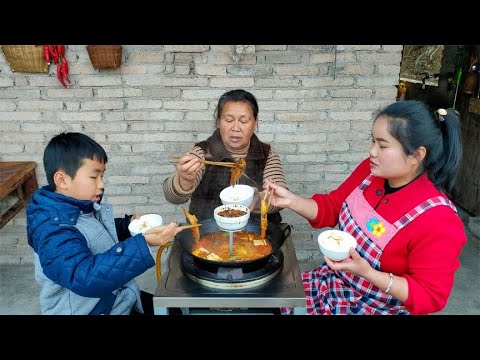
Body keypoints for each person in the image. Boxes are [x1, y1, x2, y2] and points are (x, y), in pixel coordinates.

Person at [265, 101, 467, 315]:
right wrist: (290, 200)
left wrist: (368, 273)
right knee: (273, 301)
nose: (372, 151)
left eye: (383, 145)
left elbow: (430, 295)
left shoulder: (438, 219)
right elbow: (333, 207)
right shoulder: (370, 174)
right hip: (331, 285)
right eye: (372, 141)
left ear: (417, 154)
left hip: (377, 307)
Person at [27, 132, 182, 315]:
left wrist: (127, 226)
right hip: (89, 309)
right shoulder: (53, 230)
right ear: (62, 180)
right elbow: (84, 277)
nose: (101, 184)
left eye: (102, 176)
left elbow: (94, 234)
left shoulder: (78, 206)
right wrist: (142, 243)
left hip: (115, 296)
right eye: (94, 177)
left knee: (173, 310)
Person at [163, 89, 287, 223]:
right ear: (218, 122)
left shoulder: (266, 153)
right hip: (206, 233)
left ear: (255, 123)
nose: (235, 128)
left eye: (244, 121)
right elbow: (172, 198)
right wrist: (185, 180)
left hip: (257, 234)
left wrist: (258, 200)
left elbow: (280, 198)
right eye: (228, 120)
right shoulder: (202, 153)